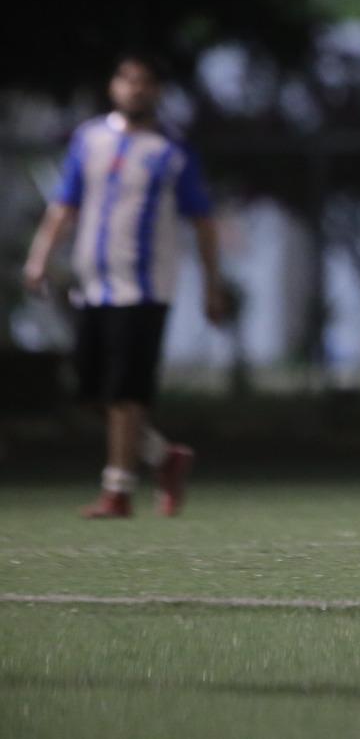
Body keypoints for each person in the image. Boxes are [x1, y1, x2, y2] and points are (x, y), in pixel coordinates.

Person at [22, 53, 228, 518]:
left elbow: (204, 222)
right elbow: (63, 206)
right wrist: (39, 258)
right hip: (94, 285)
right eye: (127, 80)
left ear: (156, 91)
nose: (135, 89)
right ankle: (163, 456)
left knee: (125, 393)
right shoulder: (89, 139)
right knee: (92, 393)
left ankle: (117, 489)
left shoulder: (172, 152)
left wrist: (212, 286)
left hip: (145, 287)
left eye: (144, 82)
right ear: (114, 87)